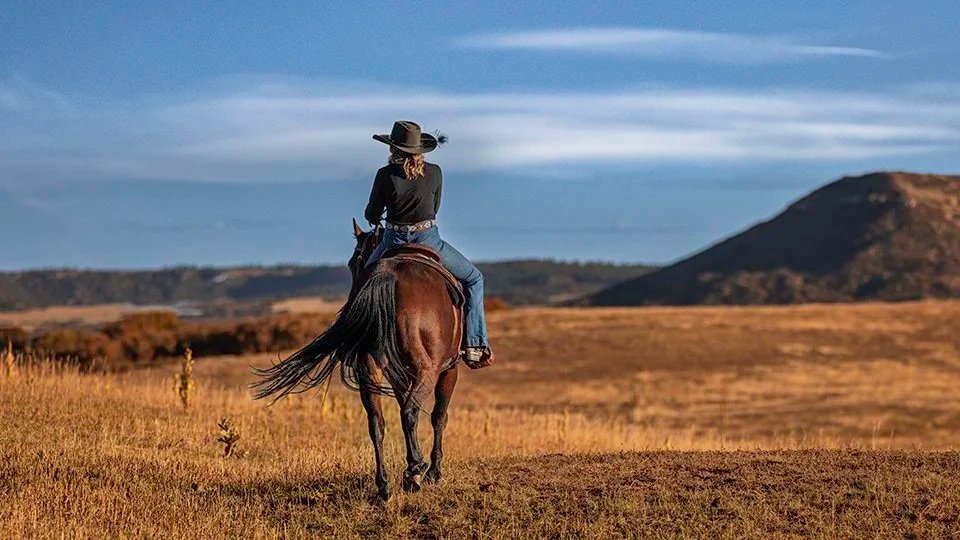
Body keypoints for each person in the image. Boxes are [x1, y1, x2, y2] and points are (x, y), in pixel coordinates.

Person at [364, 120, 494, 369]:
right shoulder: (435, 172)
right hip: (428, 240)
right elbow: (434, 208)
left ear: (393, 148)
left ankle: (352, 343)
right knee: (474, 279)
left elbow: (372, 214)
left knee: (364, 280)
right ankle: (475, 344)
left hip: (392, 241)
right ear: (419, 148)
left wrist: (376, 213)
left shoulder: (384, 174)